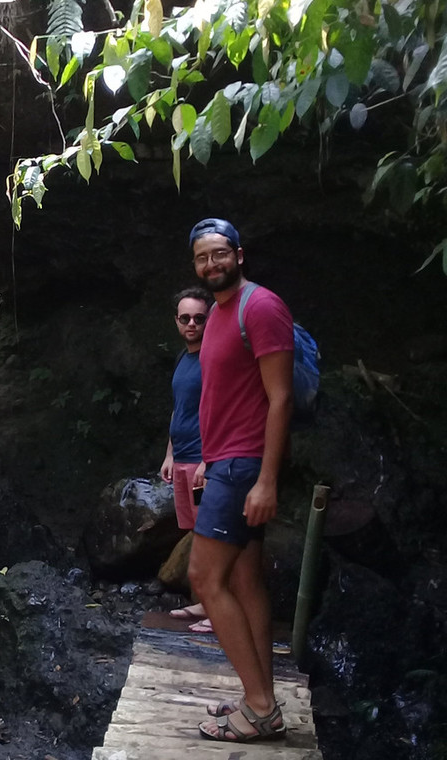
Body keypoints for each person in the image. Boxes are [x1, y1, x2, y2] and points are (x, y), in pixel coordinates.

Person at [187, 218, 293, 743]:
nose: (213, 264)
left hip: (246, 467)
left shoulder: (261, 307)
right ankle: (263, 698)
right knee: (246, 581)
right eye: (203, 258)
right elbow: (225, 397)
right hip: (226, 462)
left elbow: (280, 398)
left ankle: (257, 706)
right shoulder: (218, 315)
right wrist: (208, 456)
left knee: (205, 579)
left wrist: (266, 480)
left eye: (220, 254)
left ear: (239, 255)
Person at [159, 287, 214, 635]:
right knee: (197, 534)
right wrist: (169, 454)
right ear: (177, 321)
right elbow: (180, 410)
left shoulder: (213, 359)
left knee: (216, 537)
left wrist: (211, 460)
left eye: (199, 318)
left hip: (203, 461)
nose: (191, 324)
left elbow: (220, 412)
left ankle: (222, 610)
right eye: (185, 318)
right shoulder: (184, 358)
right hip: (182, 459)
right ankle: (206, 601)